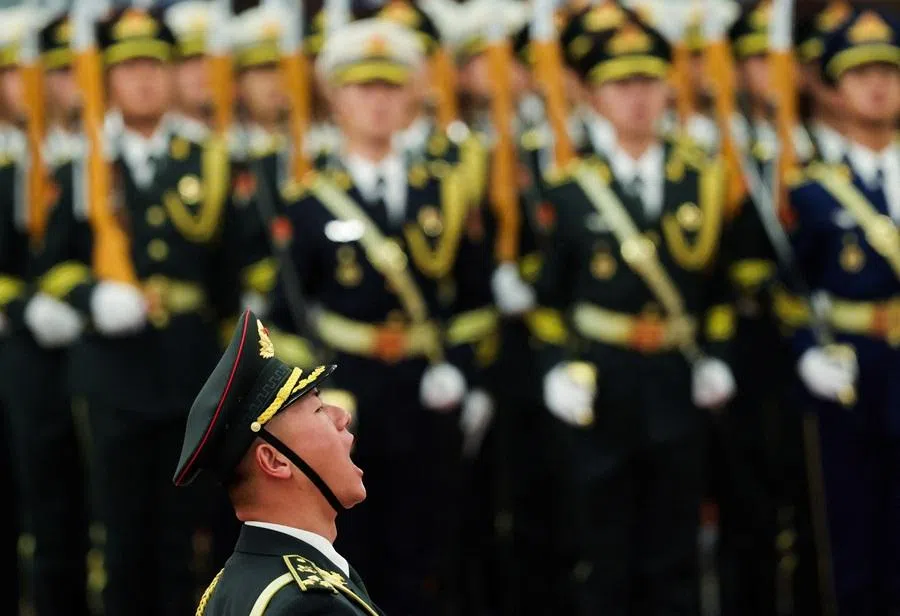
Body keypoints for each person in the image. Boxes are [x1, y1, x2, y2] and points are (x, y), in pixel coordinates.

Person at [33, 7, 267, 614]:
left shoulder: (209, 160)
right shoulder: (81, 165)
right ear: (108, 79)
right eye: (128, 68)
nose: (141, 81)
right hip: (110, 371)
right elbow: (52, 267)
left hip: (189, 371)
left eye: (154, 68)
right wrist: (92, 297)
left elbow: (237, 273)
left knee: (181, 540)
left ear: (171, 78)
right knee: (118, 537)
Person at [270, 17, 496, 614]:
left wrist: (466, 374)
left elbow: (474, 300)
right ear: (336, 99)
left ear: (413, 97)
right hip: (348, 394)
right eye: (361, 89)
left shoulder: (443, 191)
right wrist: (308, 403)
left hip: (428, 389)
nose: (376, 102)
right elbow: (284, 321)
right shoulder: (310, 200)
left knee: (430, 541)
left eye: (391, 88)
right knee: (353, 547)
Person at [530, 13, 737, 614]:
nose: (637, 99)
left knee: (673, 547)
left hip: (675, 378)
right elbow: (549, 303)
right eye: (621, 86)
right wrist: (554, 369)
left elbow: (721, 290)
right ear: (594, 96)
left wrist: (717, 358)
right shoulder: (570, 189)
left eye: (648, 83)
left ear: (668, 89)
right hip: (603, 381)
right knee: (601, 544)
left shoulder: (703, 178)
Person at [788, 8, 900, 614]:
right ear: (834, 86)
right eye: (860, 74)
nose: (878, 85)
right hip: (854, 375)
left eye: (888, 70)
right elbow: (789, 290)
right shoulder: (812, 189)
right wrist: (808, 351)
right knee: (854, 535)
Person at [174, 309, 381, 615]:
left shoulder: (231, 587)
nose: (343, 417)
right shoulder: (309, 604)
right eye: (319, 409)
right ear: (274, 460)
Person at [0, 11, 94, 616]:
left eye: (59, 73)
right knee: (35, 498)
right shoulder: (11, 165)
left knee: (85, 501)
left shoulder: (87, 158)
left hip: (92, 349)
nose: (37, 86)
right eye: (16, 73)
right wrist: (25, 303)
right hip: (21, 350)